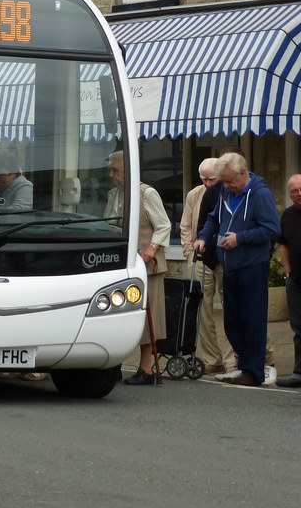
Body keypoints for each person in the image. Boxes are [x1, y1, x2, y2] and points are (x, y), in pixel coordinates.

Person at [194, 153, 280, 387]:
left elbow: (272, 228)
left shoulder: (260, 194)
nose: (228, 186)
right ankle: (246, 365)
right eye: (224, 182)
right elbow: (213, 218)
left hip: (252, 264)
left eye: (230, 181)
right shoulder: (225, 190)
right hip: (229, 264)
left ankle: (253, 372)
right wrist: (203, 237)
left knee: (252, 320)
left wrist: (240, 238)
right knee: (232, 321)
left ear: (243, 173)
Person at [105, 151, 170, 385]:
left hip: (146, 265)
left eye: (115, 171)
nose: (112, 175)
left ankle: (147, 369)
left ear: (128, 170)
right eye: (110, 171)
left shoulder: (146, 193)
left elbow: (163, 226)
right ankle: (113, 365)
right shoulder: (114, 195)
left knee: (147, 318)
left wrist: (151, 248)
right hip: (119, 264)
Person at [179, 158, 235, 375]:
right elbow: (185, 225)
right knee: (201, 309)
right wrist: (188, 251)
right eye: (204, 179)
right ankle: (211, 358)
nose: (208, 183)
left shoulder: (230, 192)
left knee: (232, 308)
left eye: (212, 179)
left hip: (225, 258)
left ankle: (232, 360)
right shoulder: (195, 194)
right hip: (201, 257)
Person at [276, 173, 301, 388]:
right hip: (296, 281)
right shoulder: (288, 215)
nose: (299, 193)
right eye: (294, 191)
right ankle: (298, 373)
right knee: (298, 328)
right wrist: (287, 271)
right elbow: (283, 243)